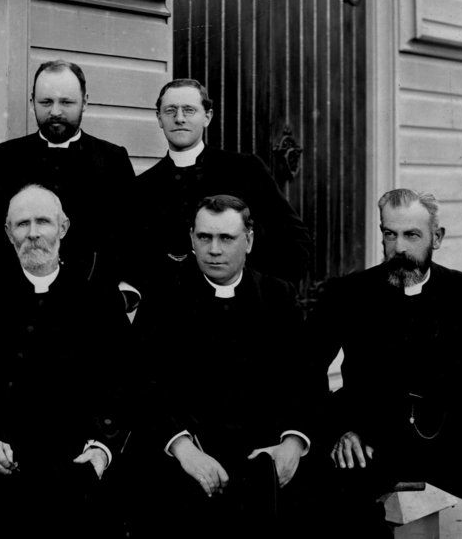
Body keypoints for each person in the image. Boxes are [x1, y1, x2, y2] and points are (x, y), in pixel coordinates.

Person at [312, 188, 462, 538]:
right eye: (390, 234)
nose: (399, 247)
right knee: (330, 502)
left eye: (412, 235)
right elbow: (305, 370)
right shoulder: (348, 293)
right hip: (369, 438)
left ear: (436, 237)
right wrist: (337, 431)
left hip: (450, 439)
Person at [129, 194, 319, 537]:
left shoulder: (277, 296)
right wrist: (183, 449)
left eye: (226, 238)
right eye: (204, 237)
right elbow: (142, 383)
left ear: (249, 241)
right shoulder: (164, 298)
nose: (214, 250)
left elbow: (306, 380)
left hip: (264, 457)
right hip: (187, 457)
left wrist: (293, 443)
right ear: (191, 239)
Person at [0, 185, 131, 538]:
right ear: (8, 233)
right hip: (0, 476)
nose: (33, 233)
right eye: (22, 224)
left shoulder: (98, 300)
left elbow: (124, 383)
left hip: (79, 474)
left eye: (43, 222)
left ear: (63, 228)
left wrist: (100, 451)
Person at [0, 60, 136, 282]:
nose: (55, 112)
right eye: (46, 102)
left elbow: (131, 237)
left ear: (84, 102)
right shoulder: (4, 158)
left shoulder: (112, 160)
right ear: (32, 102)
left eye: (66, 102)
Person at [136, 78, 310, 285]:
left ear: (207, 117)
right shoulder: (143, 186)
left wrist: (268, 293)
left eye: (189, 110)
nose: (179, 118)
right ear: (159, 118)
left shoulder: (246, 169)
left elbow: (294, 238)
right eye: (170, 110)